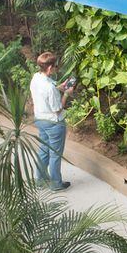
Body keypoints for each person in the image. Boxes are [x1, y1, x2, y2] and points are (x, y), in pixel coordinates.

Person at [30, 52, 75, 191]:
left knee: (44, 150)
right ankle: (56, 183)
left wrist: (60, 87)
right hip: (54, 124)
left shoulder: (36, 77)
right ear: (49, 68)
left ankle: (40, 180)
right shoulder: (50, 88)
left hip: (40, 120)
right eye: (55, 66)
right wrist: (66, 94)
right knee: (55, 154)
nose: (57, 68)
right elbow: (57, 109)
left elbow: (48, 90)